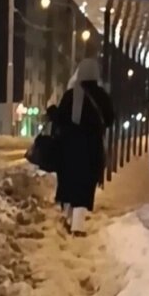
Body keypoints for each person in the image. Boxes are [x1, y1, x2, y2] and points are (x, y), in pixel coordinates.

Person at [55, 58, 114, 236]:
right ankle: (78, 226)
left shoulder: (70, 95)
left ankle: (67, 217)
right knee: (84, 186)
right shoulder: (101, 96)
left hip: (68, 149)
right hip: (91, 149)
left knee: (68, 182)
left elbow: (59, 120)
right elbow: (110, 119)